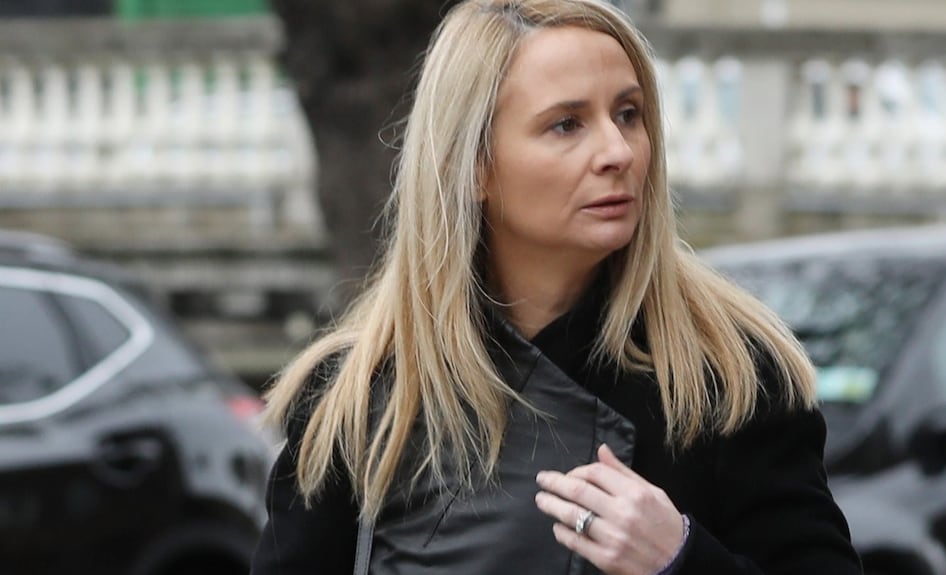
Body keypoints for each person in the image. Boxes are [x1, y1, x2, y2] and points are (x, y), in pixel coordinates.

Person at [251, 0, 864, 573]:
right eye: (567, 124)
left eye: (628, 114)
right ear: (474, 168)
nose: (618, 151)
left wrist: (678, 558)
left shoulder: (725, 377)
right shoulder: (361, 396)